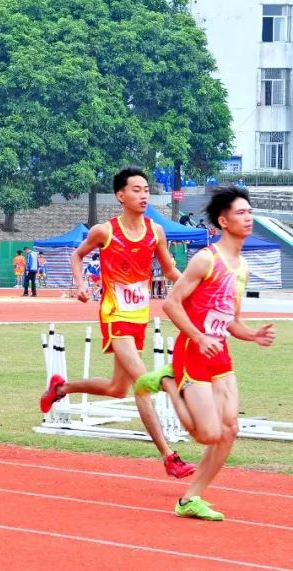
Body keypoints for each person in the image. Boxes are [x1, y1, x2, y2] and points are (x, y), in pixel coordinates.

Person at [40, 166, 193, 479]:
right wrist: (81, 284)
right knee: (144, 383)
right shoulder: (105, 232)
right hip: (114, 316)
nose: (143, 194)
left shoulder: (155, 232)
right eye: (136, 189)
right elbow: (77, 255)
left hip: (139, 318)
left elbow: (170, 272)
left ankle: (60, 387)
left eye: (146, 189)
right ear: (120, 195)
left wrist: (197, 287)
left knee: (116, 388)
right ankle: (169, 456)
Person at [136, 187, 275, 521]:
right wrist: (197, 337)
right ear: (224, 221)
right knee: (207, 434)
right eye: (241, 212)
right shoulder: (206, 259)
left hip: (219, 353)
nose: (248, 216)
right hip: (193, 350)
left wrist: (253, 335)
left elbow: (232, 322)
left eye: (249, 211)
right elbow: (171, 303)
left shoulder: (241, 268)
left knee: (230, 431)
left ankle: (190, 499)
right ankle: (168, 381)